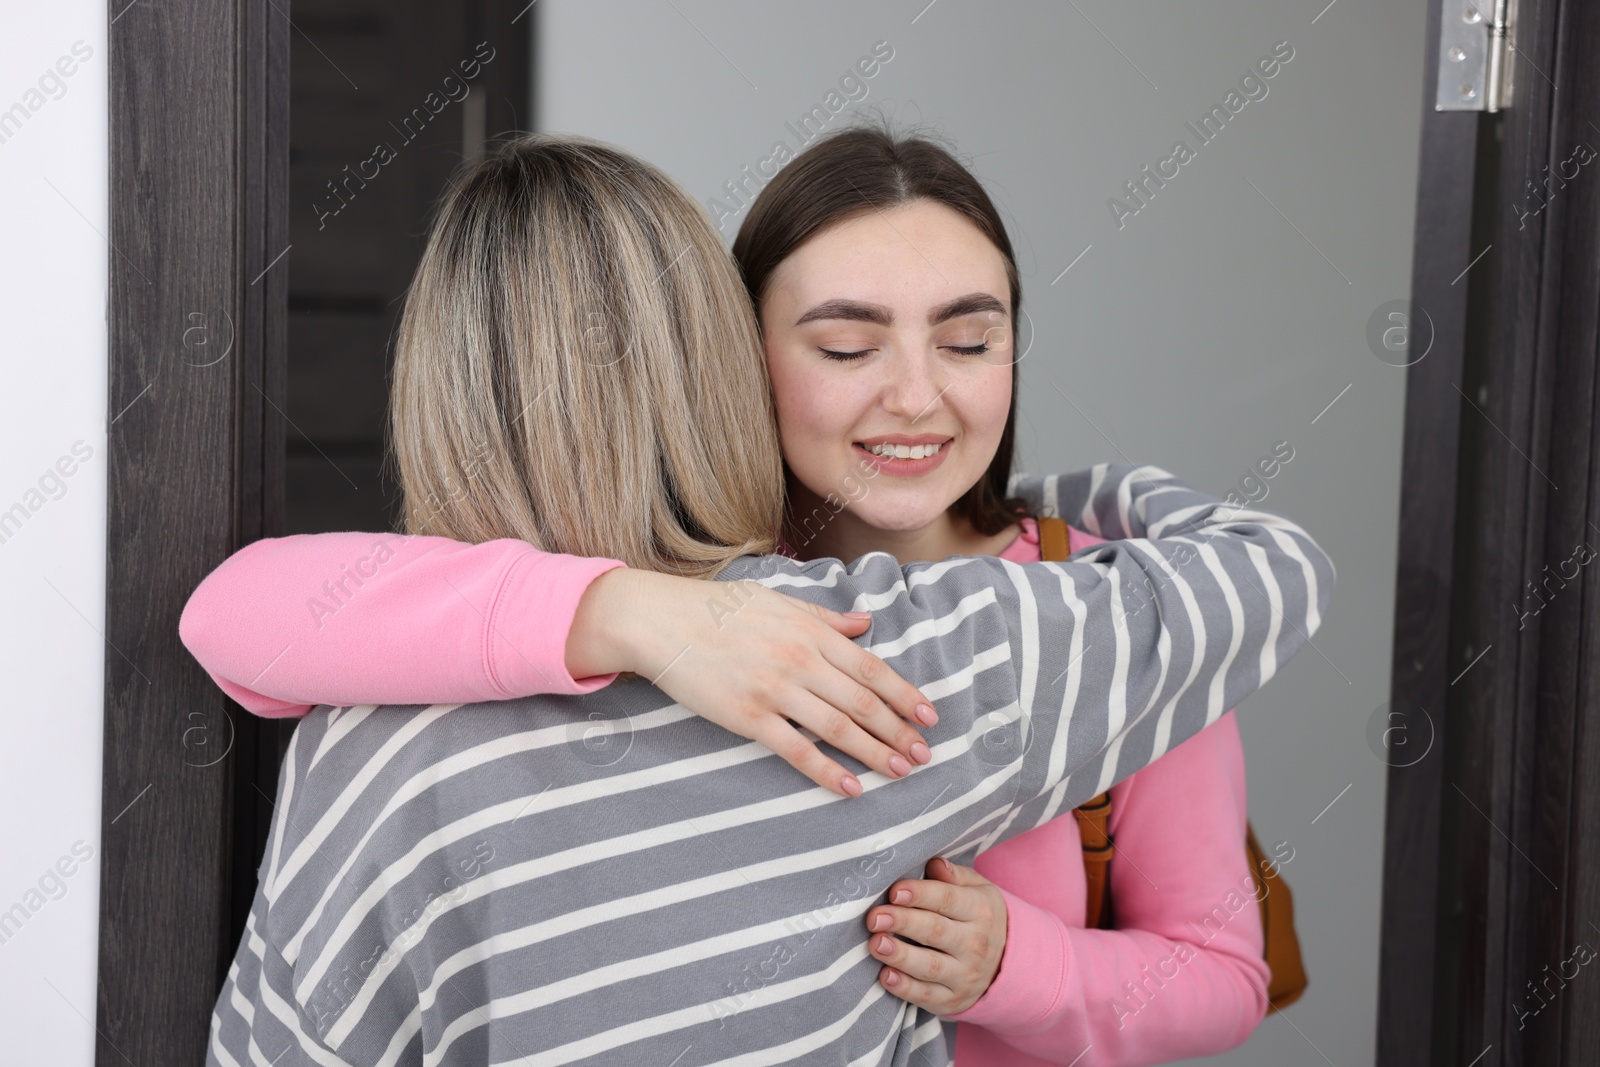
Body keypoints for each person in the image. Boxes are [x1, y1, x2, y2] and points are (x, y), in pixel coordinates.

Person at [200, 133, 1331, 1067]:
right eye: (846, 343)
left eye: (972, 339)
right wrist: (642, 613)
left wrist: (1016, 967)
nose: (917, 393)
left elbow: (1223, 971)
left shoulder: (1087, 605)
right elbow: (245, 610)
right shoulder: (705, 609)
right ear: (735, 360)